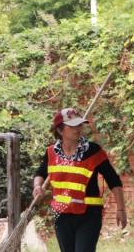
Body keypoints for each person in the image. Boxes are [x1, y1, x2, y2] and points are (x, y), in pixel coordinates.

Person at [32, 108, 127, 252]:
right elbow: (40, 172)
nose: (78, 129)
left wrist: (121, 209)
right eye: (73, 126)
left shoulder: (93, 151)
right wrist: (37, 186)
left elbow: (113, 180)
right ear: (60, 130)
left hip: (89, 215)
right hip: (61, 215)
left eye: (79, 124)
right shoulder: (51, 152)